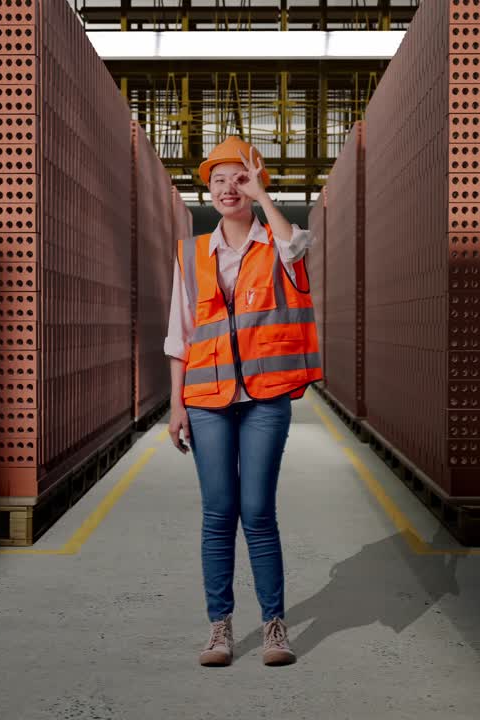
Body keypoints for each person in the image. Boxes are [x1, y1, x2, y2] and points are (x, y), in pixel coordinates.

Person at [163, 136, 323, 667]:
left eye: (239, 179)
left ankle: (274, 627)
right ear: (207, 191)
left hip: (264, 398)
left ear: (254, 186)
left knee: (256, 511)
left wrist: (266, 198)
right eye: (218, 180)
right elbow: (179, 332)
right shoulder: (192, 253)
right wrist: (175, 403)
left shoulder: (279, 242)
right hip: (207, 398)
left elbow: (299, 249)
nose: (228, 188)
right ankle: (220, 628)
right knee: (218, 513)